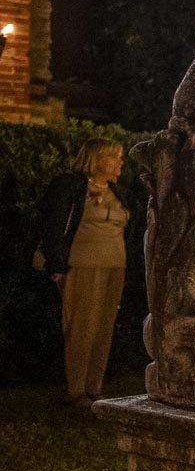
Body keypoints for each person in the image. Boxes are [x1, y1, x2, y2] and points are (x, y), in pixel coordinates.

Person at [37, 137, 129, 408]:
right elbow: (52, 225)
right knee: (81, 327)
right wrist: (56, 266)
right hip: (83, 264)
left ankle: (94, 389)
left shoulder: (116, 191)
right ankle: (75, 390)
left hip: (115, 265)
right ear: (97, 159)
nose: (120, 163)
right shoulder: (71, 187)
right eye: (115, 157)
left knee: (103, 328)